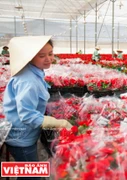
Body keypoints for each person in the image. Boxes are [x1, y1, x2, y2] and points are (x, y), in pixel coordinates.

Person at [3, 36, 72, 170]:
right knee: (31, 175)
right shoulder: (28, 81)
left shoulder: (34, 72)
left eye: (50, 54)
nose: (48, 59)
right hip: (21, 138)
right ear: (30, 57)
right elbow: (27, 116)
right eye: (41, 56)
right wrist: (59, 123)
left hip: (24, 133)